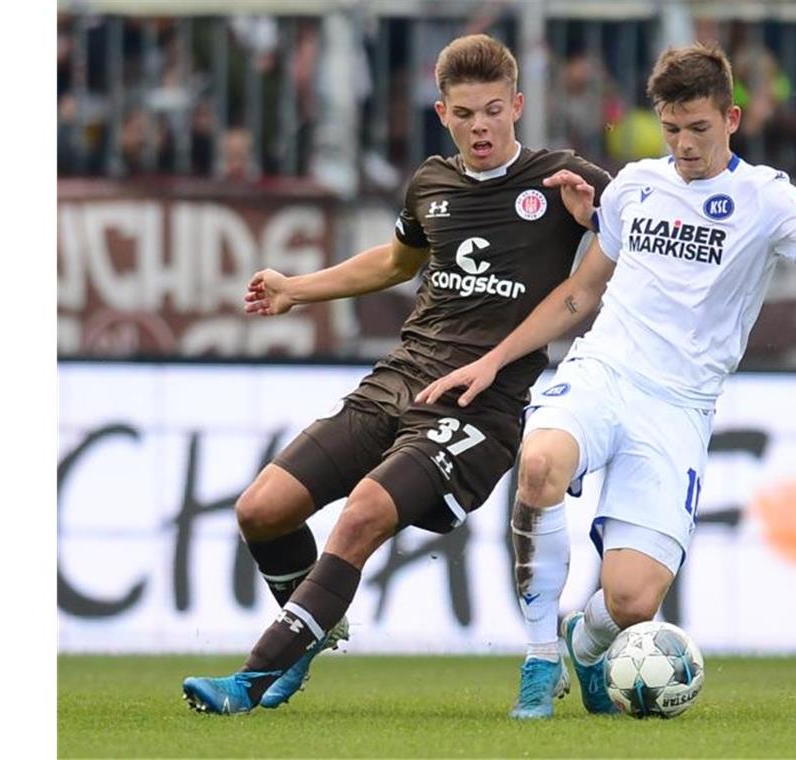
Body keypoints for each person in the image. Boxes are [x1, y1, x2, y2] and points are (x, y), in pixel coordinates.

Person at [417, 42, 796, 716]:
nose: (684, 145)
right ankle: (539, 661)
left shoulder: (765, 198)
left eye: (699, 129)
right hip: (604, 371)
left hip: (679, 407)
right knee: (539, 465)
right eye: (673, 129)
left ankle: (581, 638)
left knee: (631, 601)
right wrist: (496, 357)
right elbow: (580, 293)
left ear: (732, 118)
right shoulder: (633, 186)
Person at [180, 33, 611, 715]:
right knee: (261, 509)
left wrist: (603, 222)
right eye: (465, 113)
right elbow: (393, 264)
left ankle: (253, 679)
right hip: (399, 379)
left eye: (493, 110)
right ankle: (312, 630)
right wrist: (297, 288)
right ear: (442, 113)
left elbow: (623, 253)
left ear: (518, 106)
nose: (480, 127)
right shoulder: (431, 185)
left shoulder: (563, 180)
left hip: (481, 406)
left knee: (365, 513)